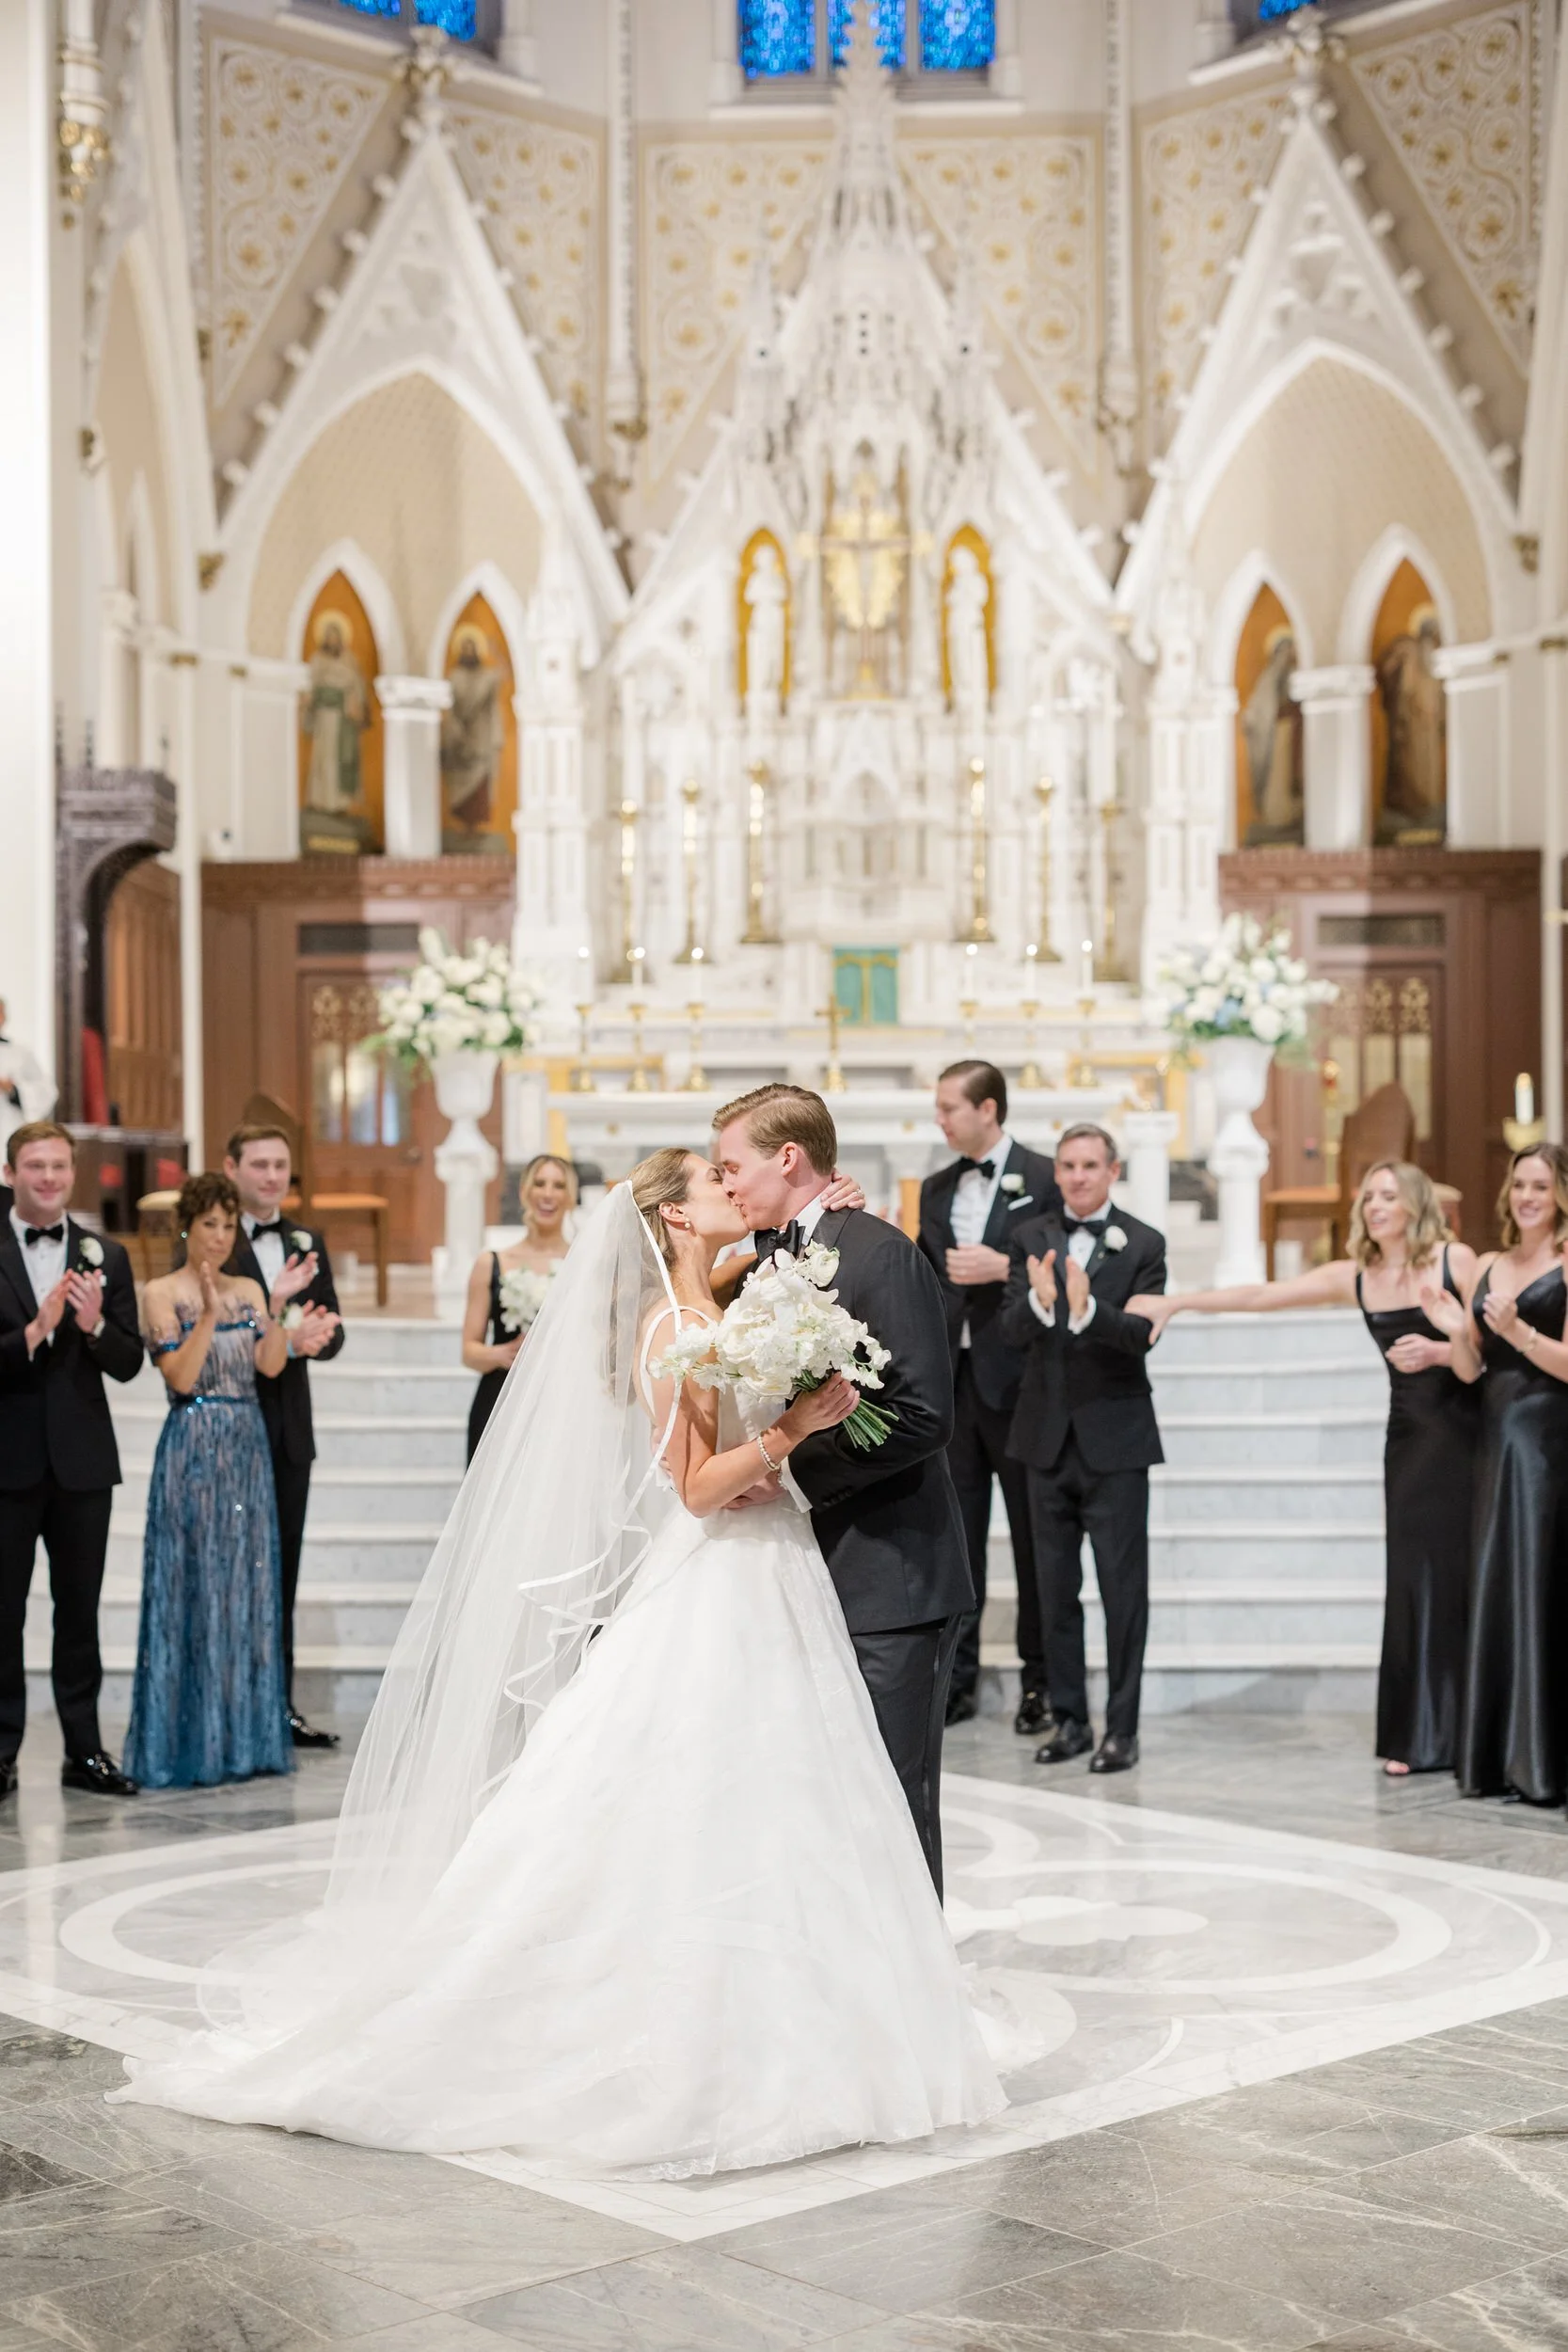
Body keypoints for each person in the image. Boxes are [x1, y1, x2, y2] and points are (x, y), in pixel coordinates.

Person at [112, 1153, 1014, 2171]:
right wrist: (791, 1435)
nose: (732, 1187)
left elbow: (772, 1268)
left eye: (735, 1172)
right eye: (716, 1181)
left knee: (771, 1804)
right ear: (676, 1212)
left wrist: (820, 1218)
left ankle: (796, 2002)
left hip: (770, 1579)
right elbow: (693, 1487)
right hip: (718, 1574)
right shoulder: (672, 1327)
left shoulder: (707, 1292)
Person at [1135, 1161, 1479, 1777]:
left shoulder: (1456, 1262)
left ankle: (1471, 1734)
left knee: (1463, 1578)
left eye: (1386, 1196)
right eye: (1367, 1196)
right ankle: (1417, 1734)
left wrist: (1438, 1348)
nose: (1373, 1206)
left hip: (1467, 1439)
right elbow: (1261, 1296)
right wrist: (1179, 1301)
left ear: (1415, 1205)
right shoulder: (1356, 1276)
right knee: (1409, 1582)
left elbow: (1488, 1352)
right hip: (1406, 1445)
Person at [714, 1085, 974, 1891]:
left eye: (733, 1167)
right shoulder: (767, 1262)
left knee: (891, 1801)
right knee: (821, 1801)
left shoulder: (878, 1253)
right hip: (804, 1576)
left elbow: (925, 1416)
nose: (726, 1185)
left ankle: (915, 2000)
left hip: (890, 1579)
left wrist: (789, 1471)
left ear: (787, 1158)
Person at [124, 1173, 319, 1789]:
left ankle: (240, 1740)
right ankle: (188, 1741)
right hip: (192, 1446)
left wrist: (281, 1318)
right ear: (187, 1226)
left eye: (228, 1225)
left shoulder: (249, 1289)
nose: (218, 1235)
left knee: (245, 1591)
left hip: (247, 1445)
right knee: (193, 1588)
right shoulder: (159, 1291)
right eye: (208, 1223)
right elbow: (179, 1378)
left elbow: (268, 1365)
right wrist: (207, 1316)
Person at [1002, 1123, 1164, 1775]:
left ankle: (1120, 1729)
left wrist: (1087, 1309)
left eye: (1089, 1165)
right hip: (1044, 1441)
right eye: (1067, 1165)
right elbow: (1009, 1327)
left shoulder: (1143, 1243)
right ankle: (1069, 1720)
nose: (1076, 1176)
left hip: (1115, 1442)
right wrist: (1042, 1306)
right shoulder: (1029, 1238)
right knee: (1053, 1590)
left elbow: (1141, 1333)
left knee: (1124, 1592)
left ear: (1112, 1171)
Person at [0, 1120, 143, 1803]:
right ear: (11, 1173)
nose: (49, 1178)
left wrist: (91, 1328)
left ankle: (83, 1751)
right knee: (2, 1613)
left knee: (77, 1611)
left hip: (83, 1462)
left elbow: (129, 1363)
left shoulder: (105, 1254)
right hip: (7, 1459)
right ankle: (1, 1751)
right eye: (35, 1166)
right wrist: (32, 1333)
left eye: (58, 1166)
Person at [918, 1059, 1062, 1732]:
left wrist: (1003, 1266)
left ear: (988, 1110)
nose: (940, 1119)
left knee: (1035, 1542)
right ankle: (956, 1681)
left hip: (1023, 1381)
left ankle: (1041, 1684)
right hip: (955, 1386)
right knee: (958, 1540)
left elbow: (1070, 1262)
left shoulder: (1043, 1177)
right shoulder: (935, 1187)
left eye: (950, 1107)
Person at [1424, 1145, 1568, 1805]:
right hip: (1491, 1435)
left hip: (1545, 1441)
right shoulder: (1485, 1263)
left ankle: (1540, 1759)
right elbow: (1470, 1370)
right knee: (1497, 1579)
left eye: (1540, 1185)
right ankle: (1495, 1755)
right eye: (1519, 1185)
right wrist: (1455, 1331)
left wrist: (1518, 1333)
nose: (1527, 1197)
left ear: (1560, 1192)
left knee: (1538, 1581)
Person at [223, 1125, 343, 1749]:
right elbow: (203, 1326)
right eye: (260, 1164)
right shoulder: (210, 1237)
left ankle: (279, 1707)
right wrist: (278, 1332)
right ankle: (229, 1704)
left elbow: (334, 1326)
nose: (271, 1176)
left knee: (282, 1572)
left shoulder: (305, 1238)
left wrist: (315, 1337)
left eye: (280, 1166)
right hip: (229, 1425)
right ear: (232, 1167)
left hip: (290, 1431)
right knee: (231, 1570)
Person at [462, 1154, 577, 1463]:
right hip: (499, 1399)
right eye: (539, 1184)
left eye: (558, 1185)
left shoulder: (582, 1265)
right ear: (525, 1192)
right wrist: (500, 1354)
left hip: (560, 1402)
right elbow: (469, 1352)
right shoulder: (491, 1263)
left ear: (570, 1198)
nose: (548, 1194)